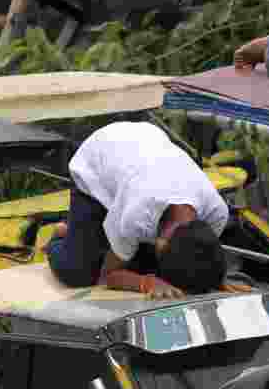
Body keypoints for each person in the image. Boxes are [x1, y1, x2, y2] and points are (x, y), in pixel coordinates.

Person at [46, 121, 229, 298]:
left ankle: (97, 236)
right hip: (97, 162)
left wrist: (211, 280)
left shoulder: (216, 213)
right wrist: (148, 283)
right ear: (160, 244)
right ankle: (63, 234)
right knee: (78, 273)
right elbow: (108, 276)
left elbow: (201, 257)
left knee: (142, 264)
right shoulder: (136, 215)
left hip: (141, 152)